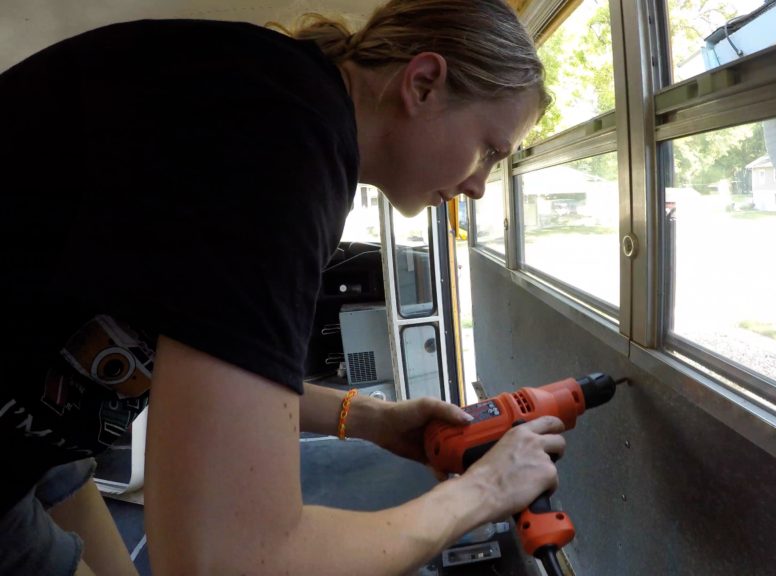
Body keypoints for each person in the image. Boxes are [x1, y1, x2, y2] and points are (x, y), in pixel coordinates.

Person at [0, 1, 564, 574]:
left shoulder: (279, 101)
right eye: (490, 150)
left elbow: (214, 362)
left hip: (38, 436)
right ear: (423, 85)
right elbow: (229, 558)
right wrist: (483, 493)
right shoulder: (282, 143)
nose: (479, 186)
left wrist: (371, 418)